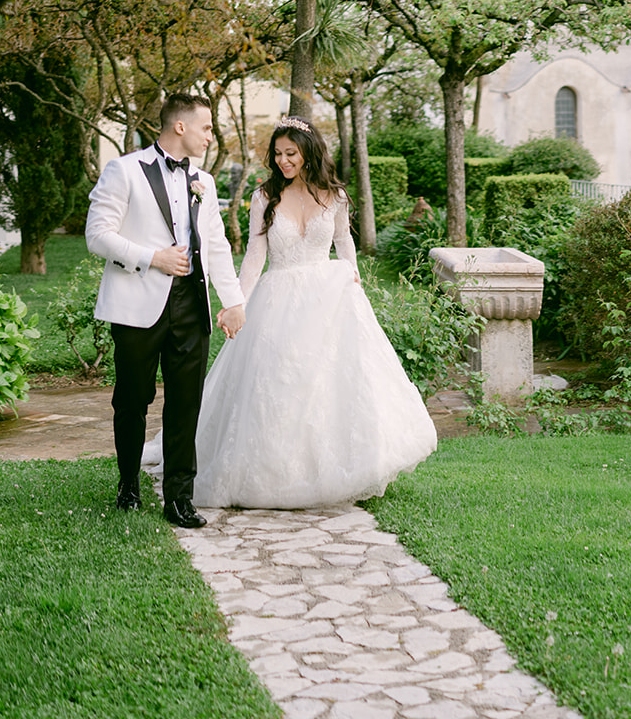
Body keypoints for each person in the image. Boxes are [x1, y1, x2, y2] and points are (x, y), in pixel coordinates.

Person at [192, 117, 437, 510]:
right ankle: (278, 472)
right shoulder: (264, 197)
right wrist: (236, 302)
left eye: (291, 153)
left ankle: (338, 466)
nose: (284, 161)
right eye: (278, 154)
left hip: (329, 298)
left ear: (308, 151)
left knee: (330, 383)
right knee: (279, 384)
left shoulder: (334, 196)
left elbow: (344, 242)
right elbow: (255, 258)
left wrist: (353, 278)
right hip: (279, 298)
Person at [84, 94, 245, 529]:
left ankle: (179, 498)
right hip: (137, 305)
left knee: (185, 403)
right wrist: (151, 257)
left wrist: (232, 300)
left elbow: (216, 244)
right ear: (180, 126)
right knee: (132, 400)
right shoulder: (125, 170)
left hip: (191, 306)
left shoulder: (205, 183)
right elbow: (97, 235)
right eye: (207, 128)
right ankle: (129, 484)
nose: (212, 135)